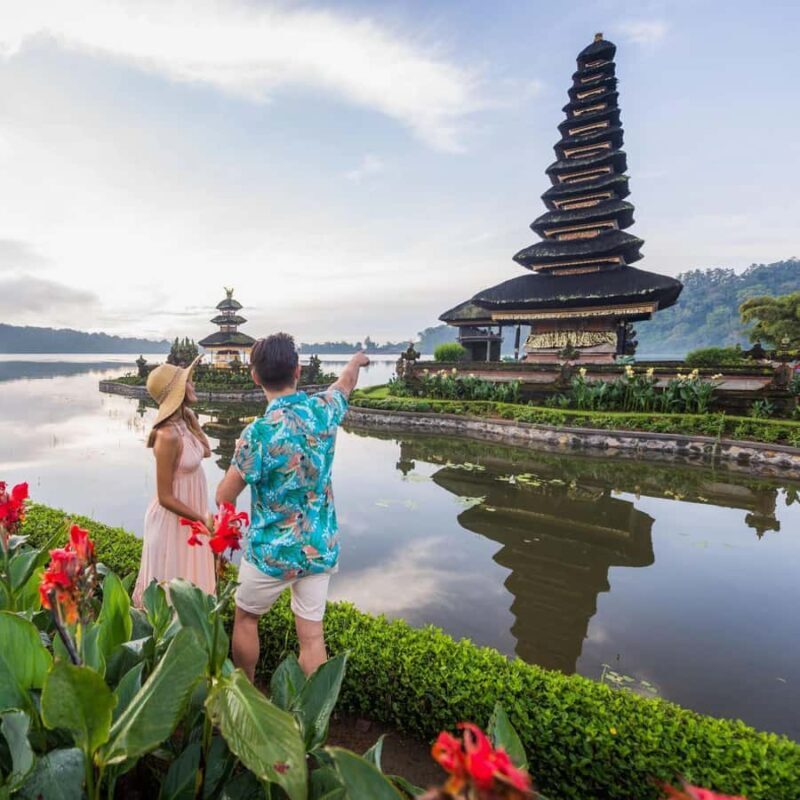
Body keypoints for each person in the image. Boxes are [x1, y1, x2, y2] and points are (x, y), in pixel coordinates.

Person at [216, 334, 369, 679]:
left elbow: (224, 496)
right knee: (312, 637)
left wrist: (239, 452)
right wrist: (357, 361)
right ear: (298, 370)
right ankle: (311, 721)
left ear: (255, 377)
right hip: (318, 546)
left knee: (246, 618)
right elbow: (344, 384)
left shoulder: (258, 433)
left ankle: (249, 695)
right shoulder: (322, 411)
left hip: (271, 551)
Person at [132, 357, 216, 607]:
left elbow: (207, 451)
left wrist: (193, 422)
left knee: (191, 588)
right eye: (189, 382)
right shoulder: (167, 435)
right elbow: (165, 496)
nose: (194, 385)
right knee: (171, 594)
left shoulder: (183, 423)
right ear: (179, 391)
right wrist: (201, 520)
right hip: (173, 522)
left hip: (190, 515)